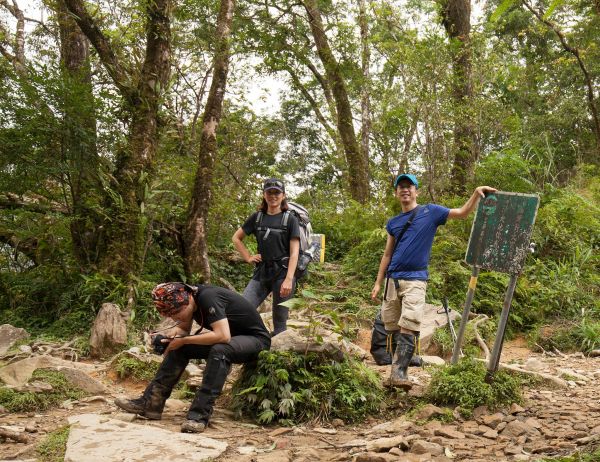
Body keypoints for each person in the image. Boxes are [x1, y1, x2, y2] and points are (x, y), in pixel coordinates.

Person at [371, 174, 496, 390]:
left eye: (409, 187)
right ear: (396, 193)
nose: (405, 190)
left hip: (415, 280)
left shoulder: (430, 212)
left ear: (416, 191)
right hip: (392, 280)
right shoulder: (393, 223)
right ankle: (395, 370)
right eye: (400, 187)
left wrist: (476, 193)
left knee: (409, 323)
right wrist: (378, 282)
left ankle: (400, 373)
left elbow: (462, 213)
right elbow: (387, 255)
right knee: (391, 326)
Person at [114, 282, 271, 433]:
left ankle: (199, 416)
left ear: (187, 301)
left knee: (220, 349)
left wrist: (184, 340)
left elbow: (223, 336)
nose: (176, 317)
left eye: (176, 313)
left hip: (255, 340)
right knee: (180, 347)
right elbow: (183, 329)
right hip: (233, 339)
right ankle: (150, 404)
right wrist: (169, 336)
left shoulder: (208, 297)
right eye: (171, 315)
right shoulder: (188, 298)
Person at [232, 178, 300, 336]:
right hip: (262, 272)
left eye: (277, 192)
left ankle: (275, 355)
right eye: (270, 192)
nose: (273, 196)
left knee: (280, 323)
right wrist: (248, 257)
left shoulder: (290, 219)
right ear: (264, 195)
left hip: (283, 274)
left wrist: (289, 279)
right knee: (243, 308)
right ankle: (255, 340)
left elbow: (294, 252)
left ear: (283, 196)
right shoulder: (257, 217)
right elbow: (236, 238)